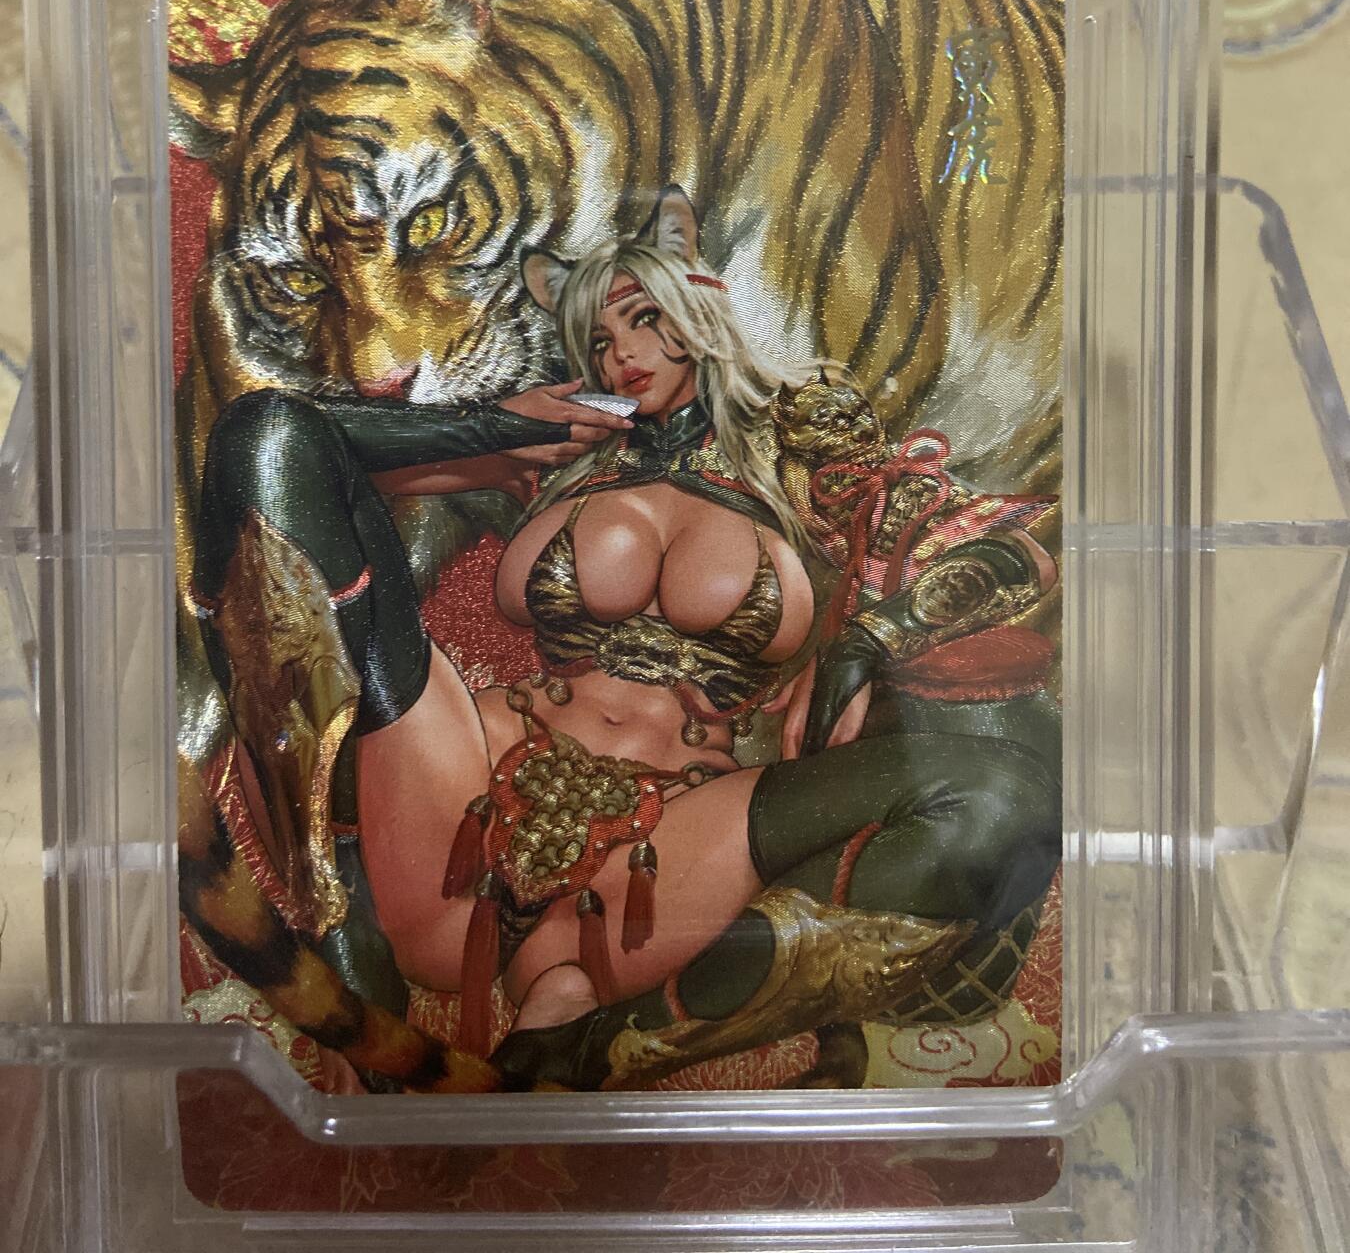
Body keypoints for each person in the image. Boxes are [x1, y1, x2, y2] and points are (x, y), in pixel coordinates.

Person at [192, 187, 1061, 1090]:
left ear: (699, 311)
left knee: (1007, 797)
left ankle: (587, 1046)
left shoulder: (804, 463)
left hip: (667, 858)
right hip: (460, 796)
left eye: (645, 319)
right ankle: (347, 932)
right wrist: (497, 427)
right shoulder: (560, 454)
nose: (623, 354)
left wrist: (866, 640)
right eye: (599, 339)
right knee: (264, 433)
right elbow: (283, 448)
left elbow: (1020, 551)